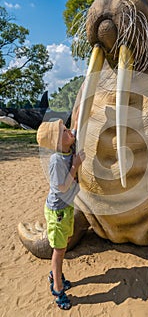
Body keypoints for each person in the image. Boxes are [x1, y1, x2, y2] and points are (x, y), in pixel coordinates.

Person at [36, 117, 85, 310]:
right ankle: (57, 288)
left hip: (66, 208)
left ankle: (53, 275)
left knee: (64, 243)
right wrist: (76, 165)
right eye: (64, 131)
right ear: (57, 142)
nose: (69, 131)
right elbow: (62, 187)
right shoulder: (57, 160)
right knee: (58, 250)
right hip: (58, 211)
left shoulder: (67, 149)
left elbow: (75, 125)